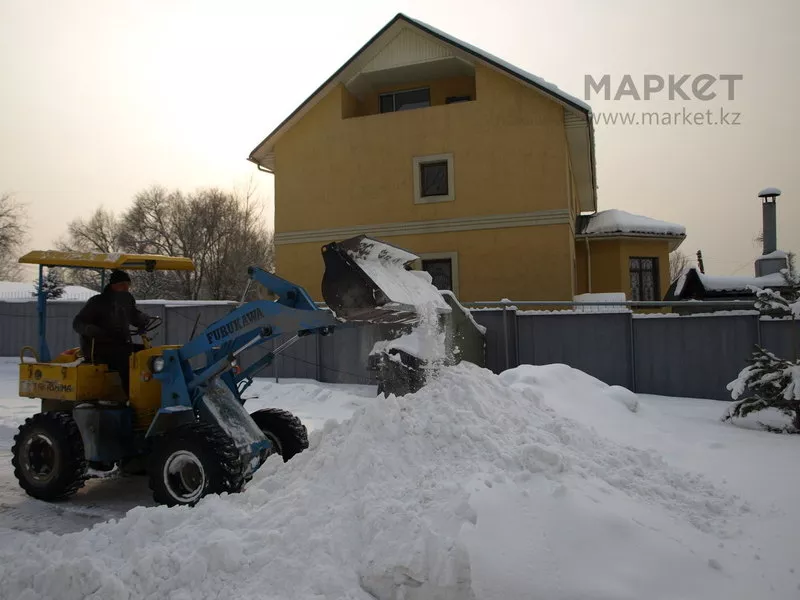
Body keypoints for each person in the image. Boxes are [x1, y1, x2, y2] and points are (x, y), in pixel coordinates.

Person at [73, 269, 150, 394]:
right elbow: (77, 323)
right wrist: (89, 329)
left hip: (122, 345)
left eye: (128, 285)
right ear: (114, 285)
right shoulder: (97, 302)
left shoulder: (126, 300)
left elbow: (134, 316)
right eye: (122, 285)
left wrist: (143, 318)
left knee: (147, 354)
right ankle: (132, 396)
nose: (126, 288)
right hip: (100, 347)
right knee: (126, 360)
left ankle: (149, 391)